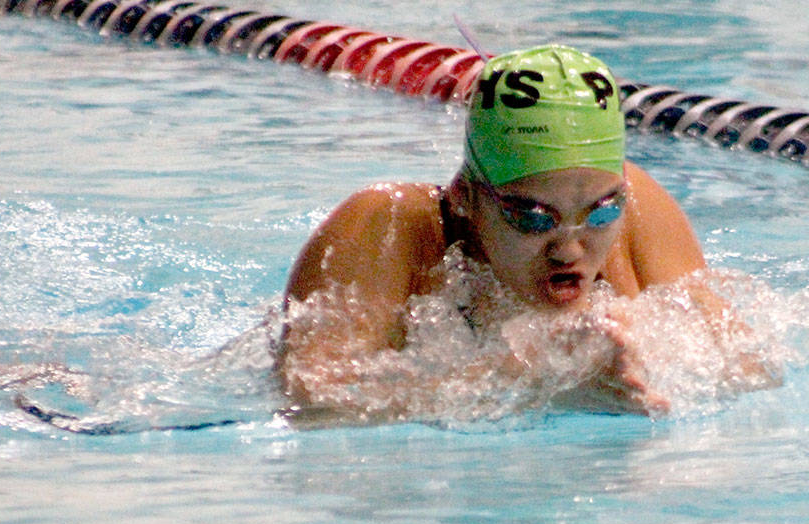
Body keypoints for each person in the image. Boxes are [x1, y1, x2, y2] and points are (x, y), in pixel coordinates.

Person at [277, 44, 774, 421]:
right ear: (466, 197)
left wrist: (655, 365)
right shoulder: (386, 227)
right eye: (535, 217)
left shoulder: (638, 205)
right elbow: (311, 398)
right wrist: (538, 382)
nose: (570, 248)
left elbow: (749, 370)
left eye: (599, 212)